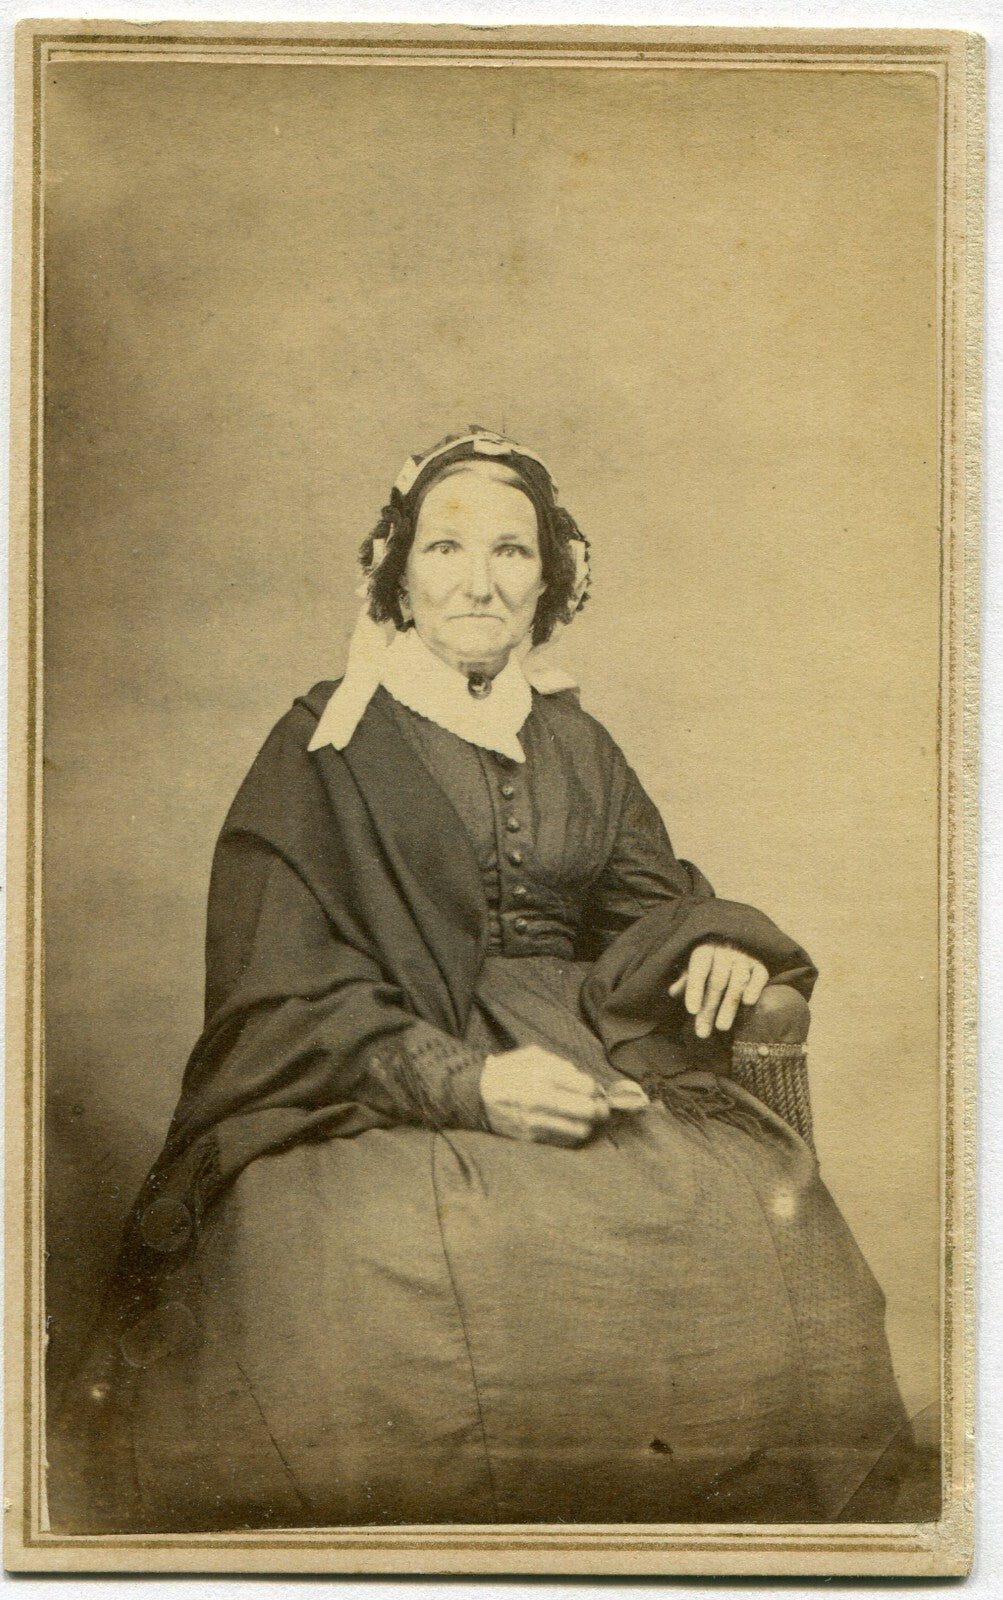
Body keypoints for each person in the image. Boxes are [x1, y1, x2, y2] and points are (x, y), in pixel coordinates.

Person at [53, 429, 924, 1532]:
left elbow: (642, 906)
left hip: (585, 1041)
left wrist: (711, 943)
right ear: (397, 575)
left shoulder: (576, 740)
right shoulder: (323, 744)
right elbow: (280, 986)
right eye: (446, 547)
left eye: (512, 552)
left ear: (549, 582)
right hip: (371, 1070)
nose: (478, 579)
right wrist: (469, 1086)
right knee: (391, 1253)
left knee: (745, 1218)